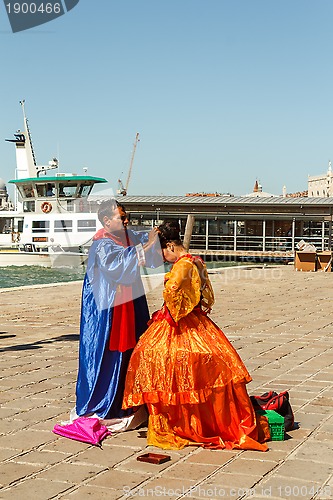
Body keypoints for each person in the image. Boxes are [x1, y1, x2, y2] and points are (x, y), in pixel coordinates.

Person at [123, 220, 268, 451]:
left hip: (181, 322)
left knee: (154, 358)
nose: (162, 258)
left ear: (170, 246)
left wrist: (167, 282)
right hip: (197, 321)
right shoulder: (196, 260)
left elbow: (173, 297)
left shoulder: (181, 266)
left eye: (162, 252)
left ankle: (177, 421)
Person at [74, 199, 162, 432]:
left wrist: (156, 236)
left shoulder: (127, 235)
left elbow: (147, 242)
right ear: (106, 221)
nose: (126, 221)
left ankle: (130, 399)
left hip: (130, 303)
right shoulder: (102, 245)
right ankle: (103, 403)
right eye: (121, 218)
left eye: (126, 217)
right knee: (105, 354)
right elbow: (118, 266)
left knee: (134, 351)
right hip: (106, 311)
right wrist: (145, 246)